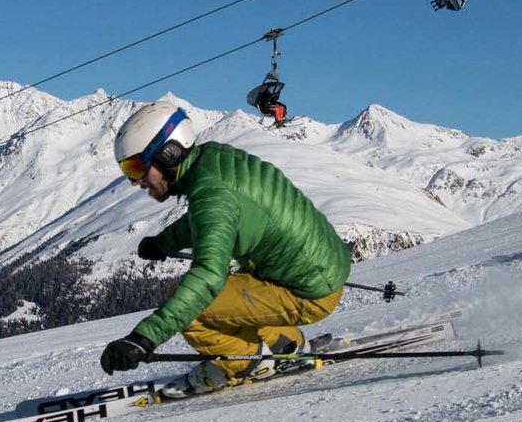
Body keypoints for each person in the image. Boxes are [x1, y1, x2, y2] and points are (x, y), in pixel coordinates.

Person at [99, 101, 353, 393]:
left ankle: (250, 365)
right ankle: (286, 344)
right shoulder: (212, 161)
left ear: (168, 154)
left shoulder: (212, 195)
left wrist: (143, 339)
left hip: (308, 291)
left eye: (136, 167)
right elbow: (204, 219)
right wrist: (163, 243)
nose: (135, 182)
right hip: (319, 268)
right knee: (234, 295)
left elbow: (208, 276)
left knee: (196, 309)